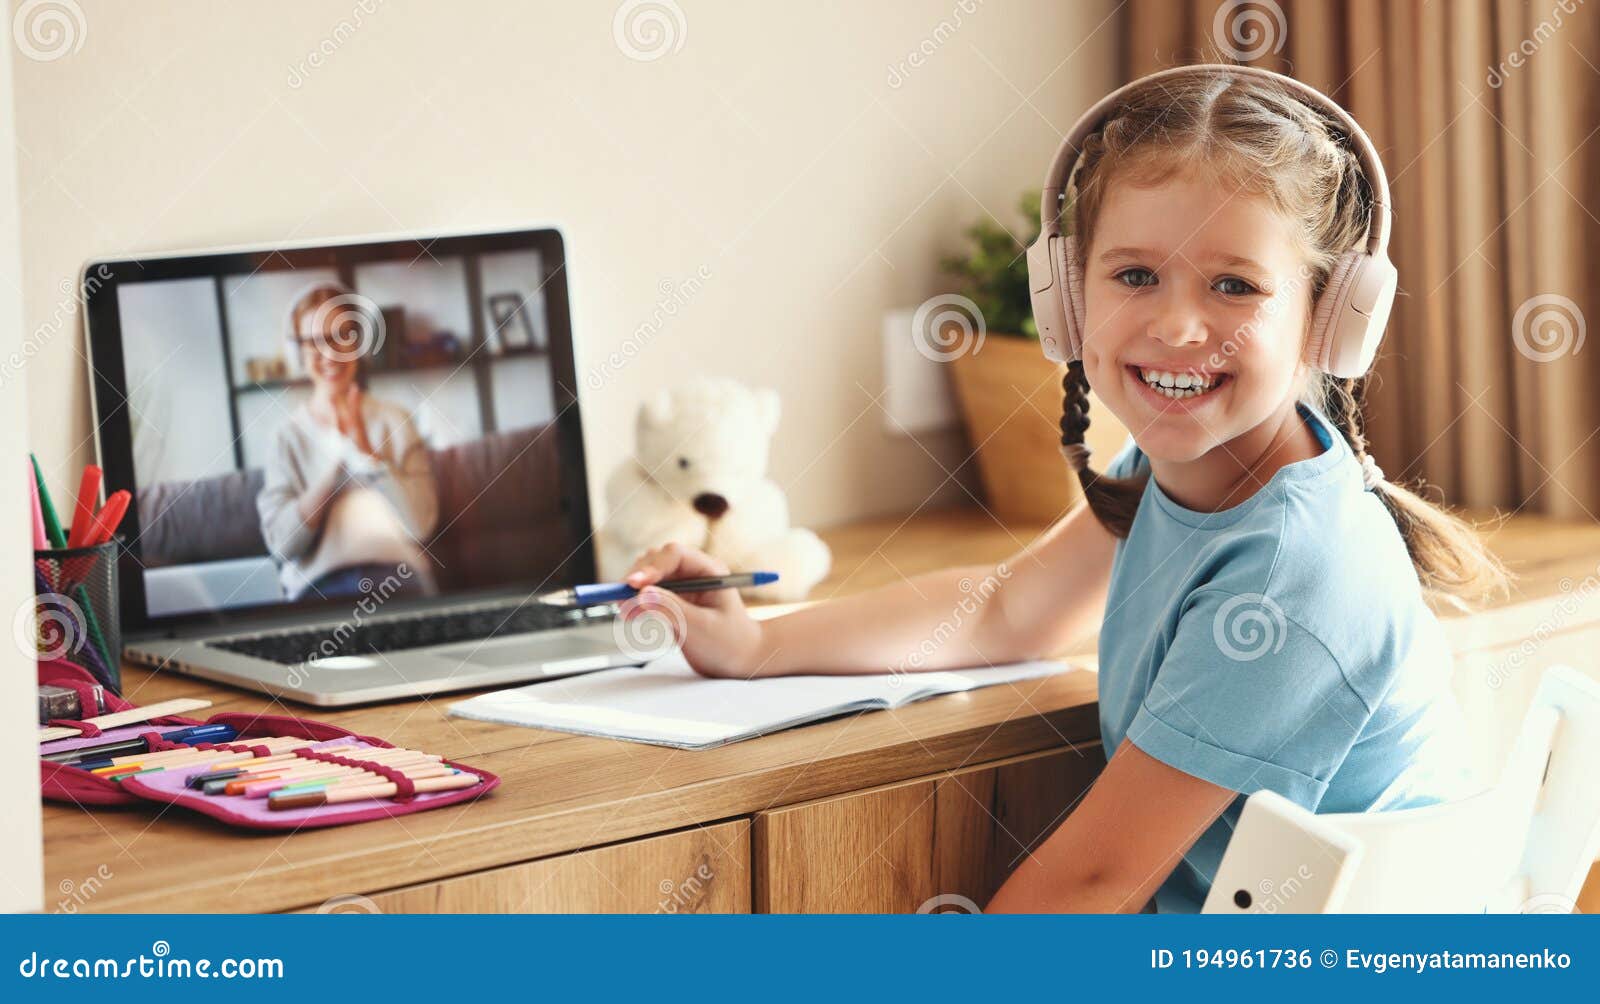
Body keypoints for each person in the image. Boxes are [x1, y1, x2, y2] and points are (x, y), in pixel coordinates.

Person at [613, 67, 1510, 913]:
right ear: (1068, 300)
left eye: (1234, 285)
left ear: (1330, 316)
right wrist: (753, 646)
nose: (1175, 322)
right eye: (1134, 275)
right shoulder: (1183, 477)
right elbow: (1000, 610)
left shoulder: (1291, 570)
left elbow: (1093, 881)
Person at [257, 281, 440, 602]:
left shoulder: (396, 420)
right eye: (314, 342)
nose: (329, 353)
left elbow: (421, 524)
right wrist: (339, 463)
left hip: (399, 579)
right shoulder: (285, 438)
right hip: (319, 586)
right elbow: (282, 545)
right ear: (297, 351)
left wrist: (369, 456)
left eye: (342, 337)